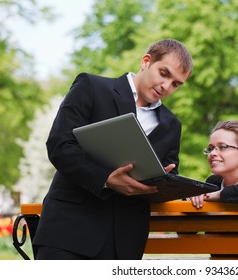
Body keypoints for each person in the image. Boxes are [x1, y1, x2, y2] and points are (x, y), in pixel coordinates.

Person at [33, 39, 193, 260]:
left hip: (125, 245)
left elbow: (169, 175)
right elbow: (60, 145)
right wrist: (106, 179)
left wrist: (171, 183)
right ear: (146, 62)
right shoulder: (91, 87)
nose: (167, 86)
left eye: (176, 84)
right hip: (69, 233)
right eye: (164, 73)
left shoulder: (172, 125)